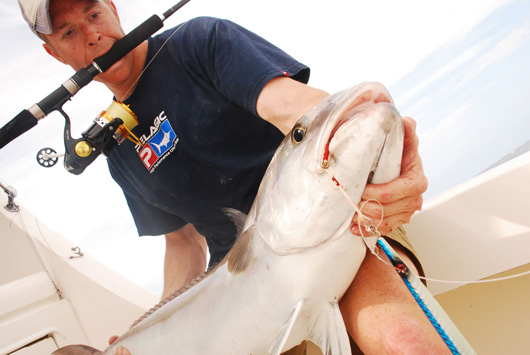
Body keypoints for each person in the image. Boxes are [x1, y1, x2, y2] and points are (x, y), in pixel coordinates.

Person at [19, 0, 448, 353]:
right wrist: (144, 333)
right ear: (54, 53)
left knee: (402, 342)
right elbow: (183, 243)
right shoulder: (117, 149)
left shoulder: (199, 43)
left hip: (335, 223)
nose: (92, 35)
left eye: (93, 13)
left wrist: (384, 138)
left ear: (112, 8)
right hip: (240, 290)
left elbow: (296, 109)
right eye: (68, 32)